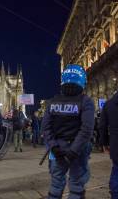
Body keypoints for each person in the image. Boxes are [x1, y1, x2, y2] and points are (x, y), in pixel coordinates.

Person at [41, 64, 94, 199]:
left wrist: (54, 147)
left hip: (57, 151)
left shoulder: (52, 102)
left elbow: (45, 128)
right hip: (78, 152)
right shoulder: (86, 101)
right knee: (76, 185)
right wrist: (73, 151)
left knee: (56, 185)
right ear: (82, 81)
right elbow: (87, 129)